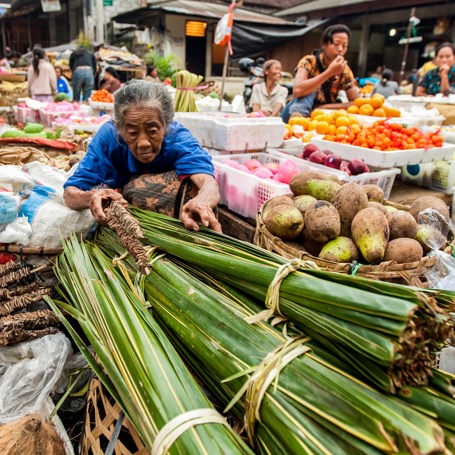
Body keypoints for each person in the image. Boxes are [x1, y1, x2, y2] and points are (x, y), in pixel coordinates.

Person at [63, 80, 221, 233]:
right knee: (131, 190)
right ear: (119, 128)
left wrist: (202, 202)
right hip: (122, 206)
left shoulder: (178, 138)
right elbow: (70, 193)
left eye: (152, 131)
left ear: (165, 126)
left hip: (169, 215)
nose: (144, 143)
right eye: (132, 133)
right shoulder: (109, 138)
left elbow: (208, 183)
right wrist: (92, 196)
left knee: (192, 186)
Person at [281, 24, 360, 123]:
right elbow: (298, 90)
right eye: (336, 44)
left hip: (320, 117)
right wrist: (329, 72)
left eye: (344, 45)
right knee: (311, 89)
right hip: (293, 112)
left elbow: (357, 103)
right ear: (324, 44)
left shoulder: (345, 70)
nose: (340, 49)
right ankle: (297, 122)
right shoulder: (309, 61)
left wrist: (325, 107)